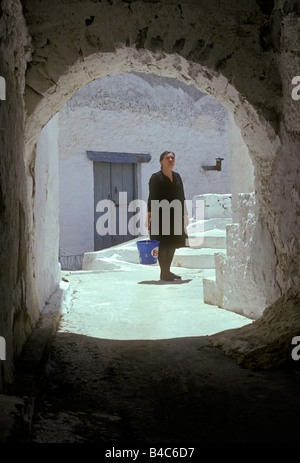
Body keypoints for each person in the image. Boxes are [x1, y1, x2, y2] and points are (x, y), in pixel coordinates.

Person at [146, 151, 189, 281]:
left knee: (172, 243)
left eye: (172, 158)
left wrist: (185, 215)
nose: (170, 160)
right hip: (160, 214)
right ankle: (163, 272)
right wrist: (148, 217)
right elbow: (152, 198)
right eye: (167, 158)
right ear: (161, 162)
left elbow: (181, 196)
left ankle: (167, 271)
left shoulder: (177, 177)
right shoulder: (155, 177)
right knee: (162, 244)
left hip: (175, 214)